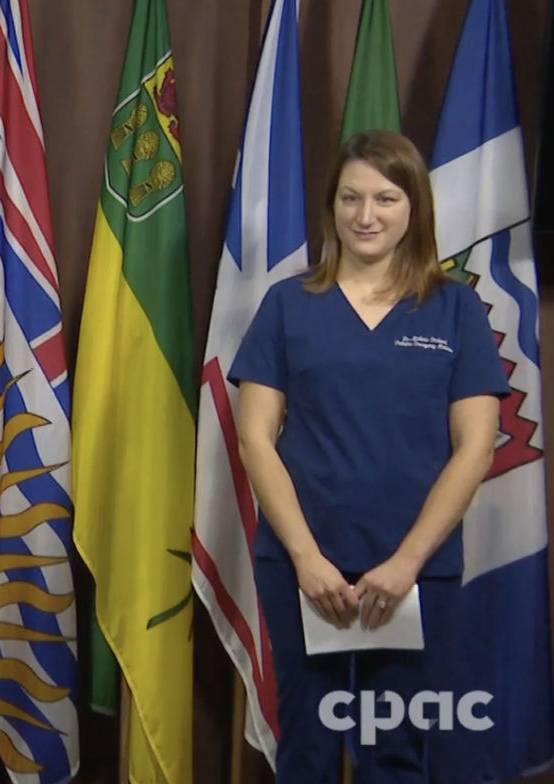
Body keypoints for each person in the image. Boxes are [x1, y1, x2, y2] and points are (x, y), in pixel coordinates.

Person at [229, 128, 509, 782]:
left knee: (395, 751)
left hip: (413, 571)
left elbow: (474, 448)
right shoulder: (287, 305)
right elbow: (254, 439)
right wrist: (307, 560)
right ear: (331, 206)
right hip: (304, 566)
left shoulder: (455, 309)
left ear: (414, 207)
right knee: (307, 745)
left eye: (385, 198)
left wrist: (406, 563)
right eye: (350, 198)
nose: (365, 215)